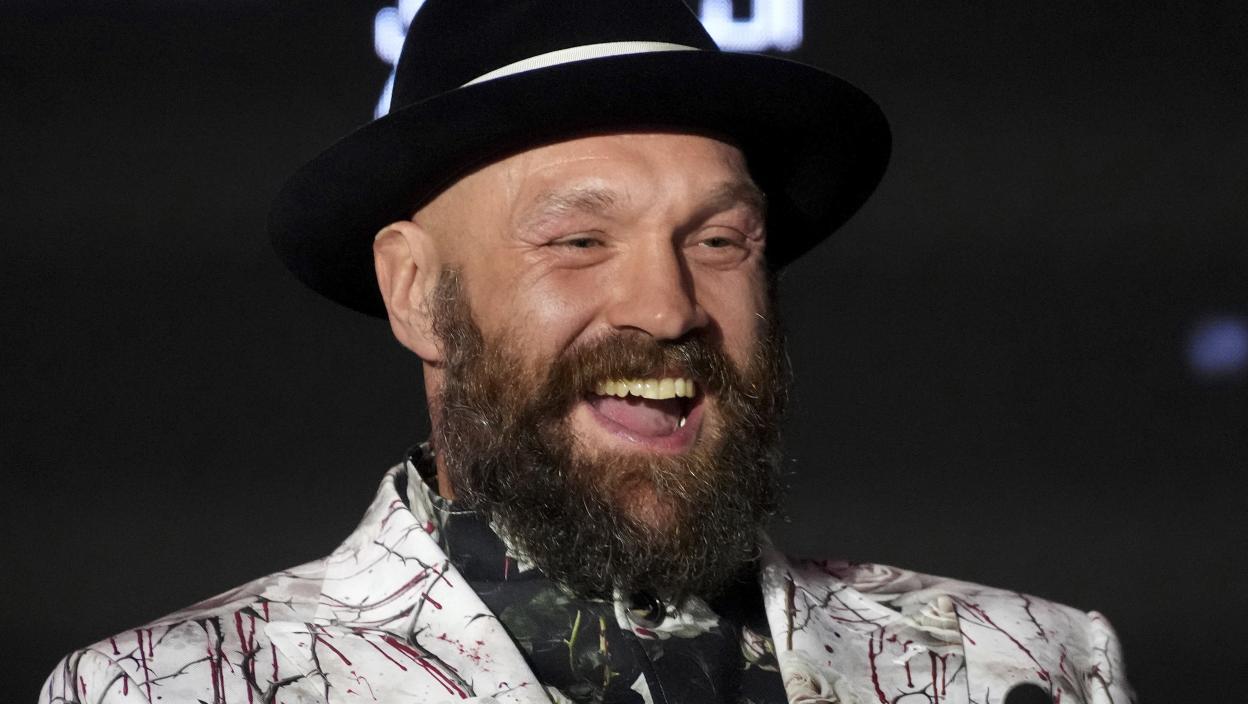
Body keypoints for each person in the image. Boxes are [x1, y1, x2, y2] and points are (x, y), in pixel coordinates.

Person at [39, 1, 1133, 703]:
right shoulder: (176, 687)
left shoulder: (1028, 666)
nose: (666, 307)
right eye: (578, 241)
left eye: (718, 241)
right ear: (415, 291)